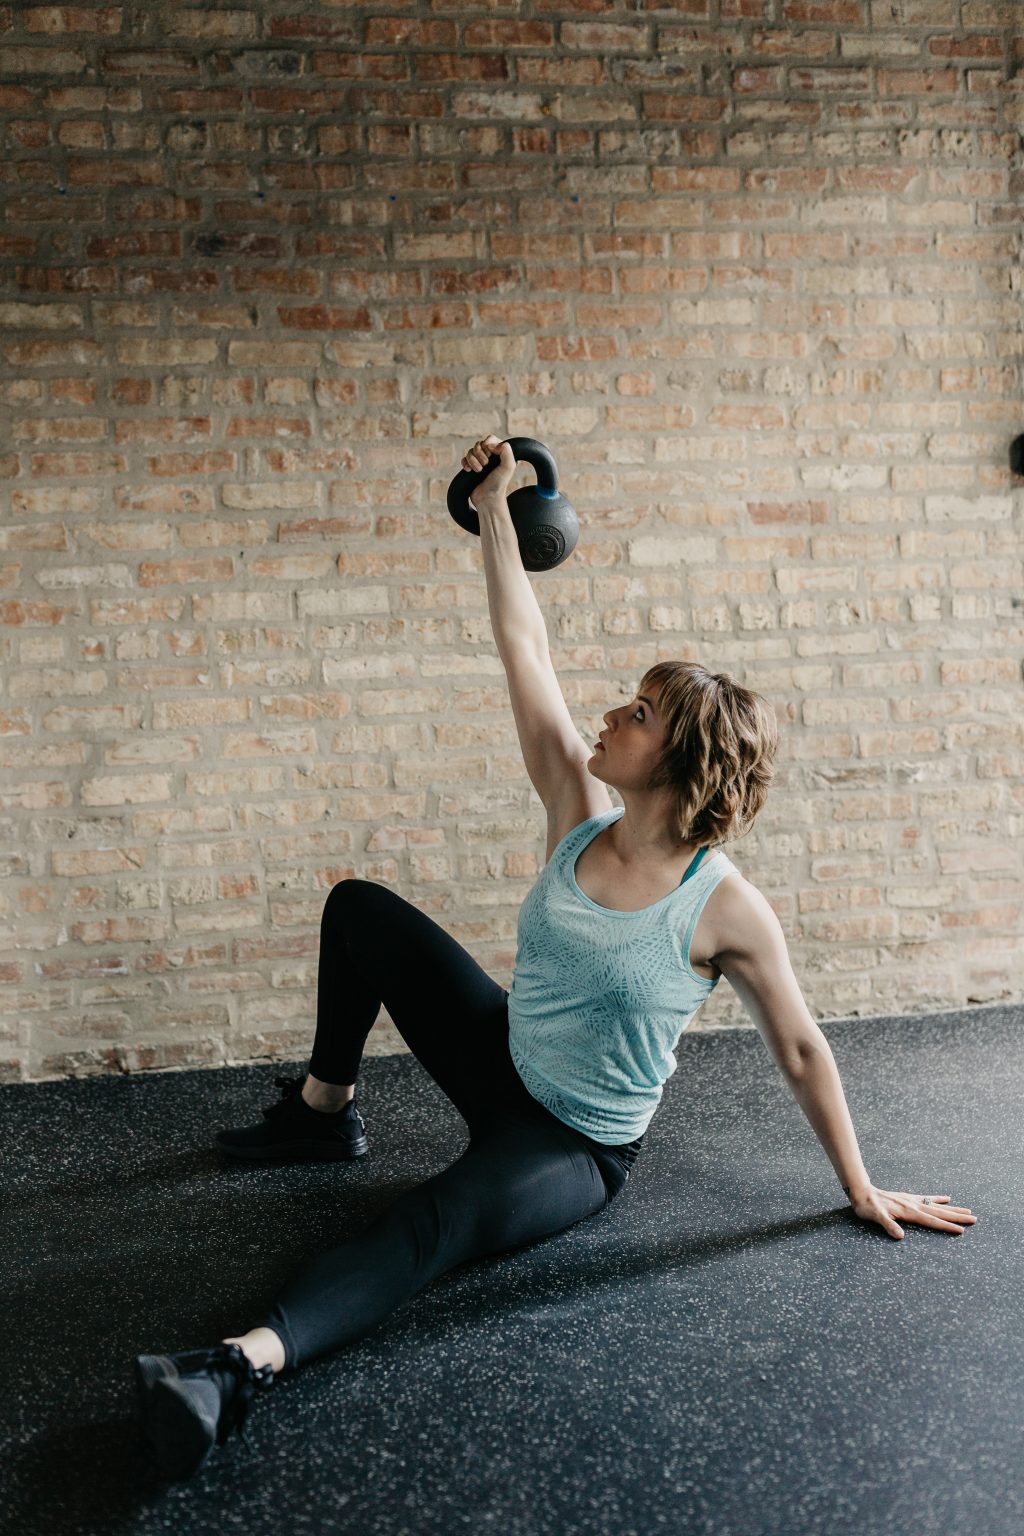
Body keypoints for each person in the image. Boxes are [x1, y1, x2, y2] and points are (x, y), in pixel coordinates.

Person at [134, 434, 976, 1481]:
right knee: (359, 910)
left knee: (433, 1220)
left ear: (680, 760)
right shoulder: (578, 810)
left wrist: (860, 1184)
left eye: (638, 713)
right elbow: (523, 646)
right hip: (502, 1049)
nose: (609, 715)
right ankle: (321, 1113)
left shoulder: (724, 908)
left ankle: (235, 1369)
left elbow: (801, 1048)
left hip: (574, 1143)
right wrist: (494, 507)